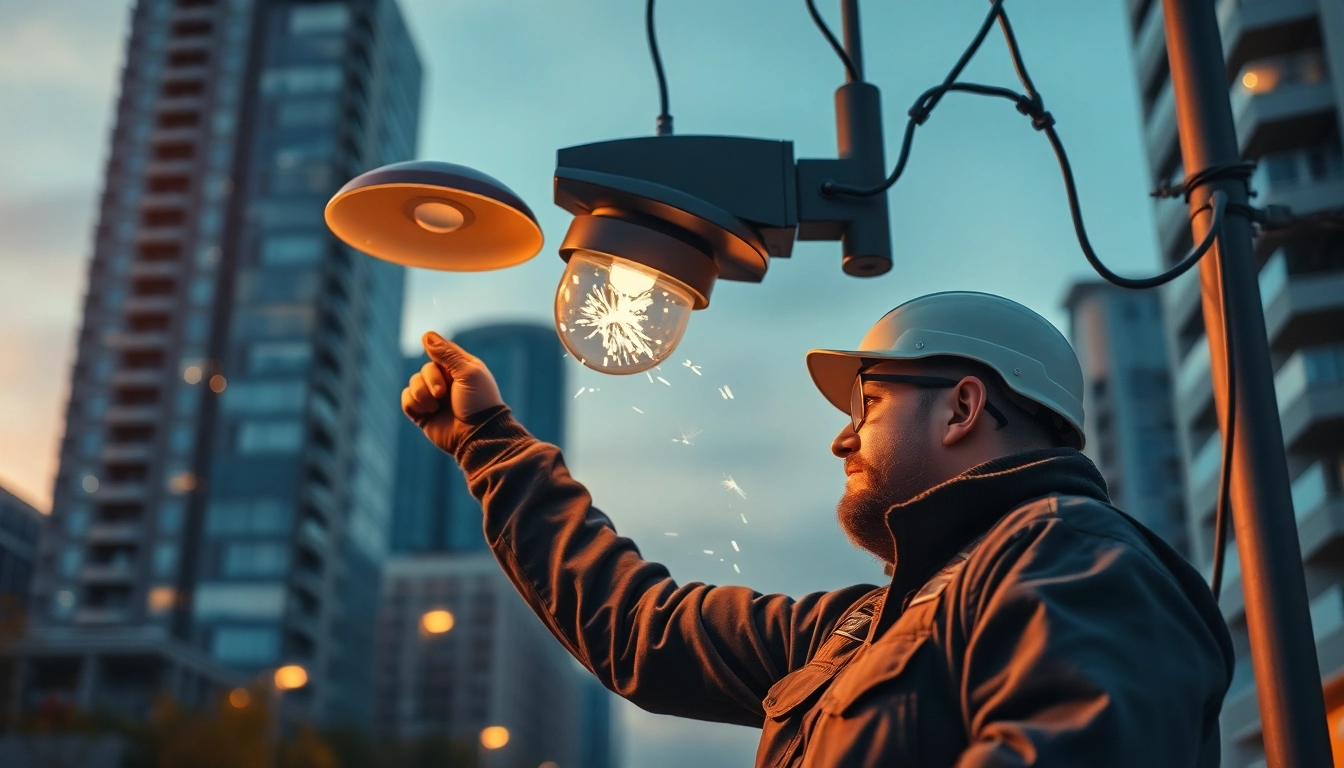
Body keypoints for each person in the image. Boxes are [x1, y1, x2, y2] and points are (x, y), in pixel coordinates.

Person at [401, 291, 1233, 767]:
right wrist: (489, 444)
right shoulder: (860, 628)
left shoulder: (1075, 558)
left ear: (964, 407)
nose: (841, 438)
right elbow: (639, 627)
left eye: (867, 406)